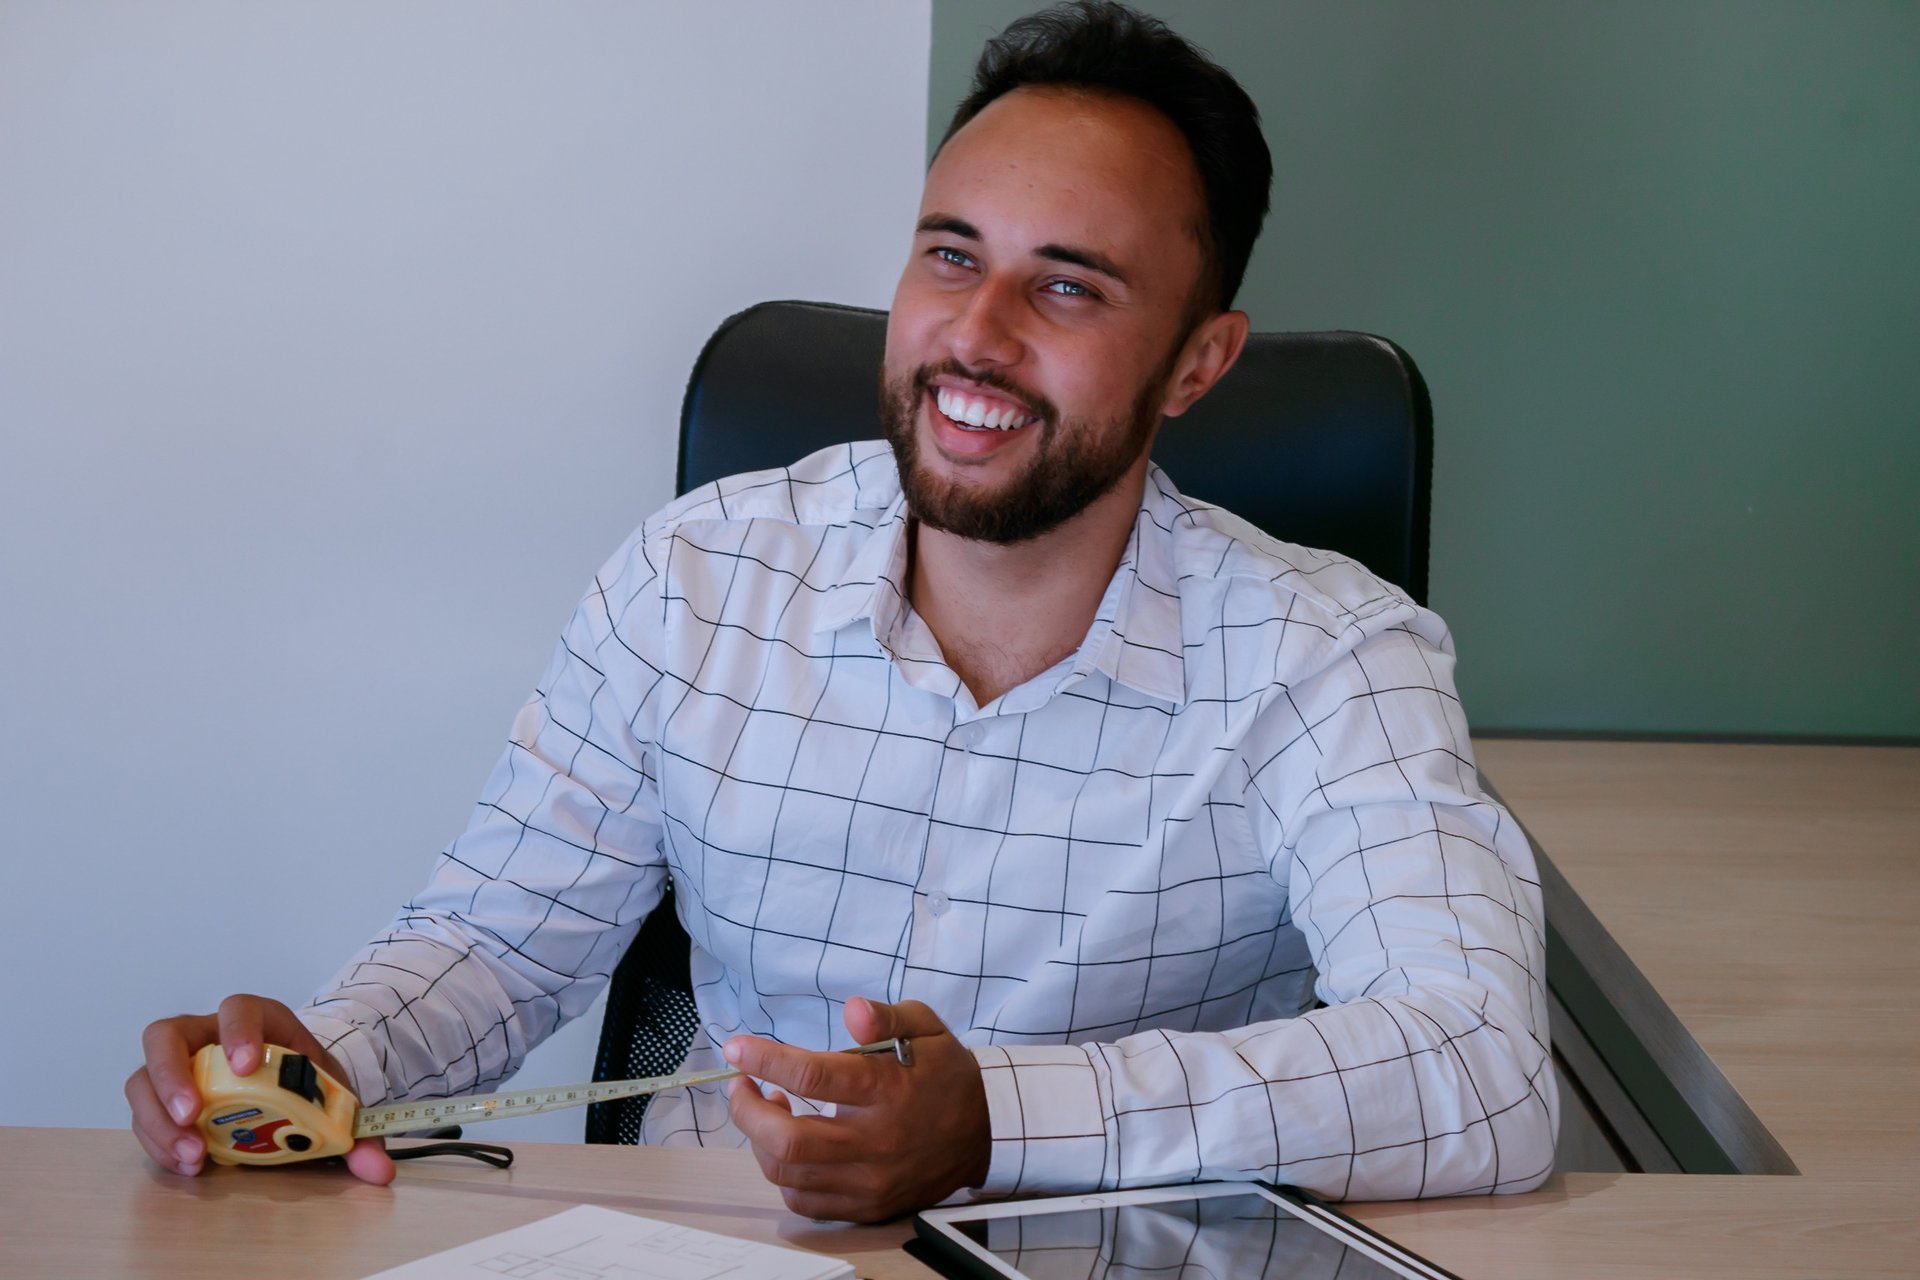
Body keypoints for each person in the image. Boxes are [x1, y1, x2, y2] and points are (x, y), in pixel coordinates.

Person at [128, 1, 1556, 1222]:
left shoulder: (1335, 657)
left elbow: (1482, 1066)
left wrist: (1000, 1118)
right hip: (714, 1248)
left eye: (1066, 286)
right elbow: (500, 942)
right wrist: (321, 1061)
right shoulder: (696, 576)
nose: (977, 337)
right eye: (951, 256)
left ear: (1197, 363)